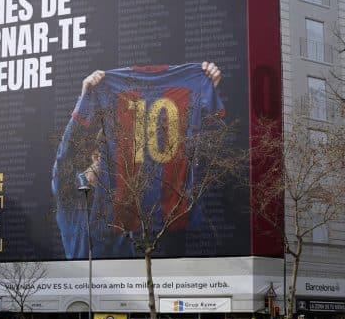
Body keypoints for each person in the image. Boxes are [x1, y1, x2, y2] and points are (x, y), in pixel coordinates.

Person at [52, 62, 224, 259]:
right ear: (97, 155)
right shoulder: (71, 190)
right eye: (113, 155)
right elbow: (65, 156)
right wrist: (85, 98)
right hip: (83, 283)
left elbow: (194, 156)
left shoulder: (128, 194)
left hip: (130, 282)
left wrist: (203, 94)